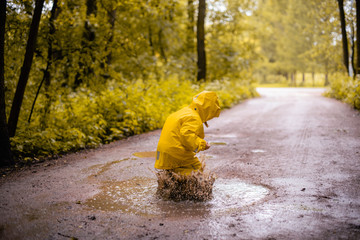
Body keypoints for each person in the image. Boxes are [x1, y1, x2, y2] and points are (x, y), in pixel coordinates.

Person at [154, 91, 221, 175]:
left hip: (163, 152)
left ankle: (169, 186)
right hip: (177, 152)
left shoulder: (184, 112)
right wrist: (202, 144)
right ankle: (195, 187)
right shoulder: (194, 117)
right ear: (207, 110)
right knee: (197, 170)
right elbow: (186, 135)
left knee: (173, 174)